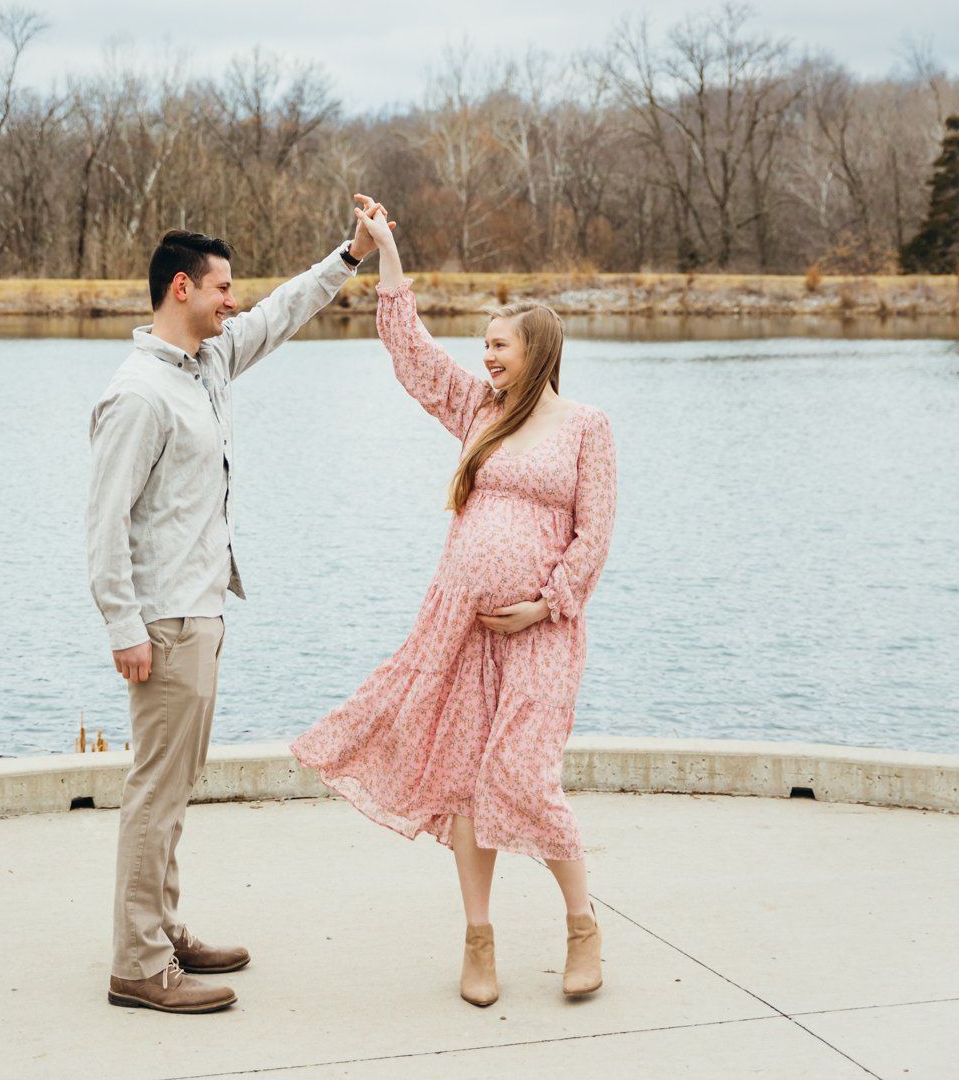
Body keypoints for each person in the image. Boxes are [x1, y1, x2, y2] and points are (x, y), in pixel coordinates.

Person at [292, 202, 617, 1007]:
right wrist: (390, 248)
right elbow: (409, 348)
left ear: (535, 349)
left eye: (499, 345)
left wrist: (545, 605)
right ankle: (478, 940)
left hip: (541, 633)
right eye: (485, 347)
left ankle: (582, 927)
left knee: (526, 776)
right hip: (461, 629)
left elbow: (595, 532)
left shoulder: (586, 428)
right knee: (469, 783)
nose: (486, 356)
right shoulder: (477, 410)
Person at [89, 201, 384, 1016]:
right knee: (156, 790)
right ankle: (139, 967)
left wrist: (349, 257)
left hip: (202, 612)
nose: (232, 301)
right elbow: (104, 523)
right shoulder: (139, 394)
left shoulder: (205, 364)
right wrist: (124, 629)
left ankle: (162, 931)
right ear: (181, 288)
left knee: (175, 786)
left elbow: (281, 312)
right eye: (221, 288)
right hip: (165, 622)